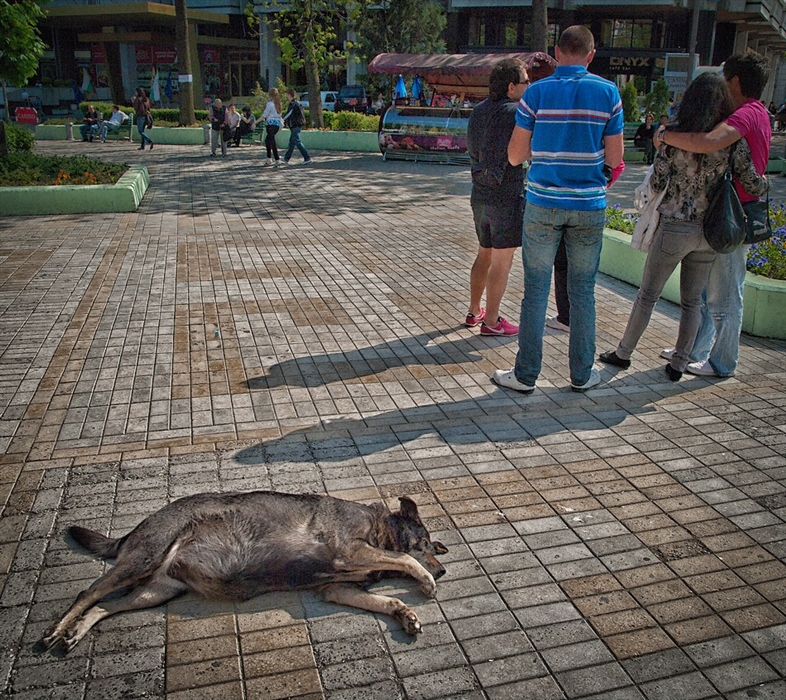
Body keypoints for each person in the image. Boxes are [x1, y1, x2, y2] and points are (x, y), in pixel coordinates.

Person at [599, 73, 766, 381]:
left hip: (675, 226)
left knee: (648, 295)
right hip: (709, 231)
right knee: (692, 302)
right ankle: (679, 362)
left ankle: (623, 353)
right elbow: (752, 181)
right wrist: (766, 185)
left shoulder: (673, 137)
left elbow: (658, 181)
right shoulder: (731, 142)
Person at [492, 25, 624, 394]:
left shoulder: (536, 93)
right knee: (583, 291)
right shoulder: (608, 93)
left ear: (557, 51)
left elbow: (515, 156)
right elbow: (615, 157)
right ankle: (582, 374)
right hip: (588, 205)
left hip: (543, 202)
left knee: (535, 290)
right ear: (591, 55)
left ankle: (525, 375)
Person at [655, 52, 772, 378]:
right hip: (729, 213)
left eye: (724, 79)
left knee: (725, 295)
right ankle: (694, 350)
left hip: (731, 217)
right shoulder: (758, 112)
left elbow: (710, 142)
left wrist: (664, 137)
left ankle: (722, 363)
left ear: (735, 81)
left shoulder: (746, 114)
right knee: (709, 292)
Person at [465, 58, 531, 337]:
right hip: (506, 194)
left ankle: (474, 310)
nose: (529, 86)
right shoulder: (517, 113)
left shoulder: (478, 111)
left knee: (484, 253)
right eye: (526, 81)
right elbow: (521, 153)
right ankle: (492, 321)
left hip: (479, 192)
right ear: (511, 86)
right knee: (502, 260)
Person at [281, 89, 312, 165]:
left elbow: (289, 113)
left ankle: (307, 158)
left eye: (287, 95)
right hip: (296, 125)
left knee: (297, 141)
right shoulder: (297, 103)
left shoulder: (293, 104)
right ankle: (286, 158)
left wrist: (282, 120)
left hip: (295, 125)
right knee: (292, 142)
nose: (286, 96)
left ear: (289, 95)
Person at [262, 88, 283, 166]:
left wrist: (255, 122)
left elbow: (264, 115)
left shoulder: (270, 104)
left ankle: (276, 159)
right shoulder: (278, 104)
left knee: (271, 141)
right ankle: (269, 158)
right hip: (277, 124)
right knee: (268, 140)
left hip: (270, 124)